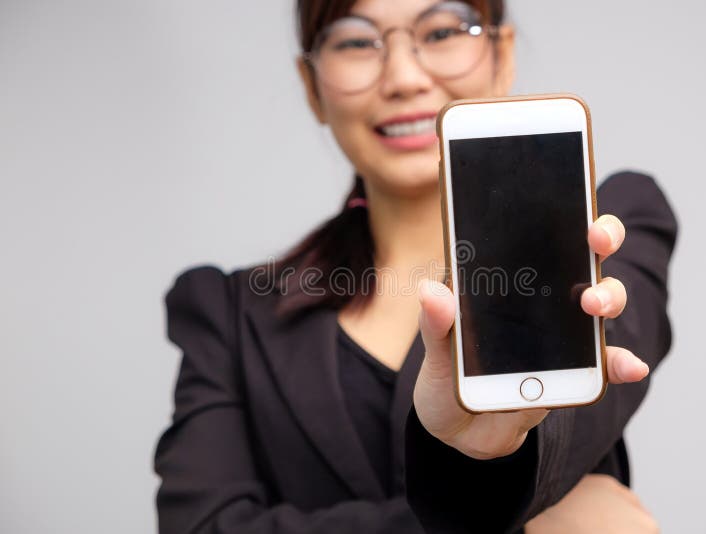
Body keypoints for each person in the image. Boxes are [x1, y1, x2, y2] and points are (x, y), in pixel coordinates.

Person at [154, 0, 677, 532]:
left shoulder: (607, 233)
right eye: (357, 41)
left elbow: (567, 428)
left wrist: (493, 466)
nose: (404, 77)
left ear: (502, 52)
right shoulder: (226, 315)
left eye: (443, 30)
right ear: (312, 85)